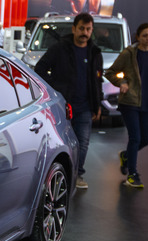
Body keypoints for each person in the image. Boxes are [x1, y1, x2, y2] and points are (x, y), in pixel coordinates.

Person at [35, 13, 103, 189]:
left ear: (91, 31)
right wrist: (54, 89)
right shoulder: (59, 49)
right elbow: (40, 69)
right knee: (61, 142)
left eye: (88, 29)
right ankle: (59, 175)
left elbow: (97, 80)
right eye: (81, 28)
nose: (84, 32)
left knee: (83, 143)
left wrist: (98, 104)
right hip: (63, 106)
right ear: (74, 29)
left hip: (86, 106)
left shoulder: (95, 53)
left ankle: (77, 174)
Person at [104, 23, 148, 188]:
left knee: (146, 139)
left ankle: (126, 156)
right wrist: (122, 82)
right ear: (138, 37)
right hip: (130, 102)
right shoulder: (129, 54)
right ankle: (132, 174)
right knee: (135, 138)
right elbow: (110, 72)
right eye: (145, 35)